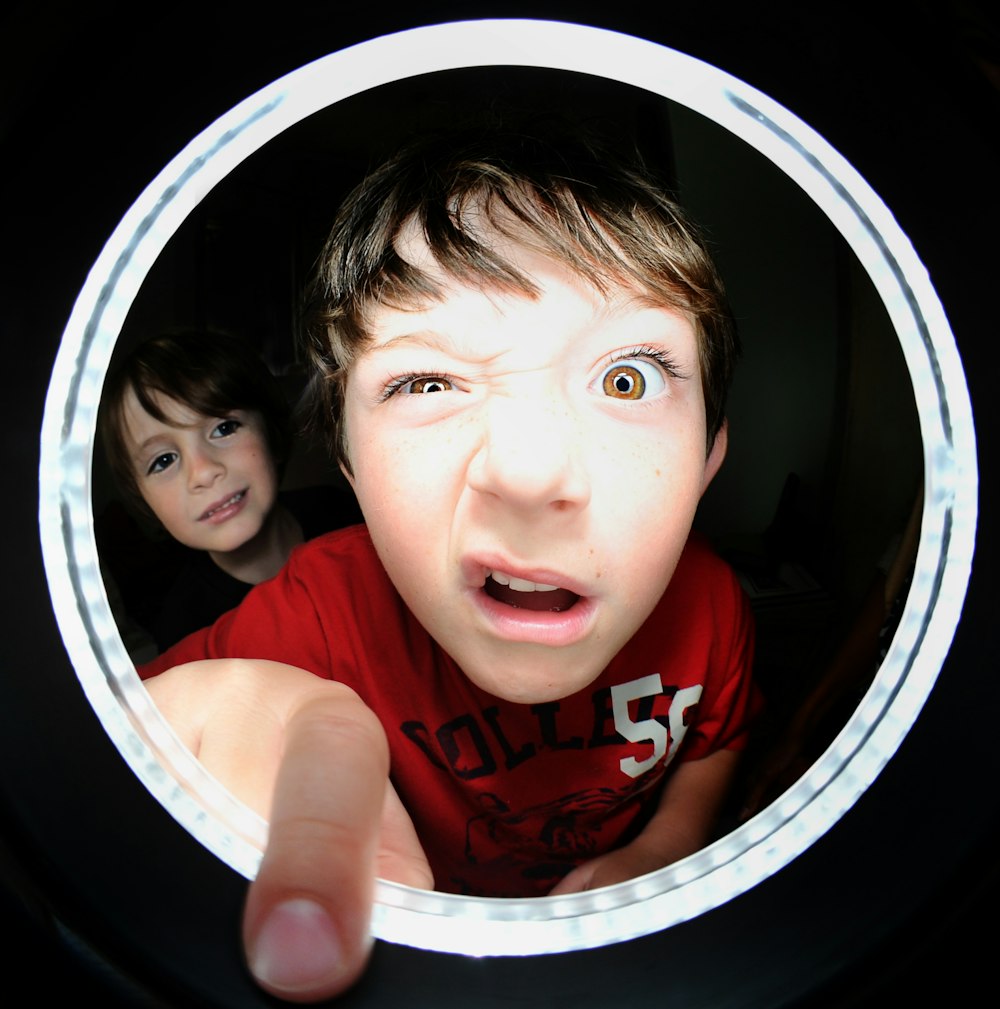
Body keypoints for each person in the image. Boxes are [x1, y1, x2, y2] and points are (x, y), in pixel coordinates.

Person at [141, 124, 761, 1001]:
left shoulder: (713, 606)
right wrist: (177, 729)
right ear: (349, 467)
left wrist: (666, 847)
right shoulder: (316, 613)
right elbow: (130, 733)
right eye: (427, 383)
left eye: (628, 377)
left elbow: (717, 736)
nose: (528, 468)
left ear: (706, 460)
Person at [98, 331, 363, 654]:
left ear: (270, 432)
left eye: (224, 428)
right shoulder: (186, 636)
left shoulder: (342, 513)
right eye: (164, 460)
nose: (204, 472)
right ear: (145, 501)